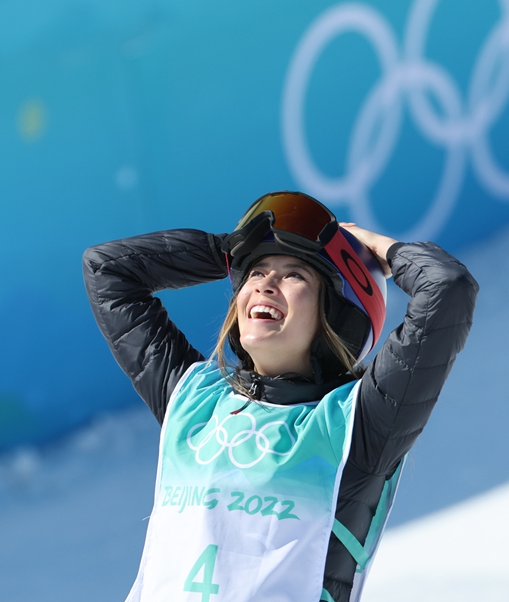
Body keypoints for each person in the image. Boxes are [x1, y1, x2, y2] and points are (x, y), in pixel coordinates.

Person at [83, 190, 476, 602]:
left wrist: (378, 249)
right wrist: (228, 250)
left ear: (334, 316)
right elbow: (107, 270)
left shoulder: (357, 425)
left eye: (294, 275)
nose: (266, 284)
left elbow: (447, 287)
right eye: (255, 272)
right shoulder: (192, 398)